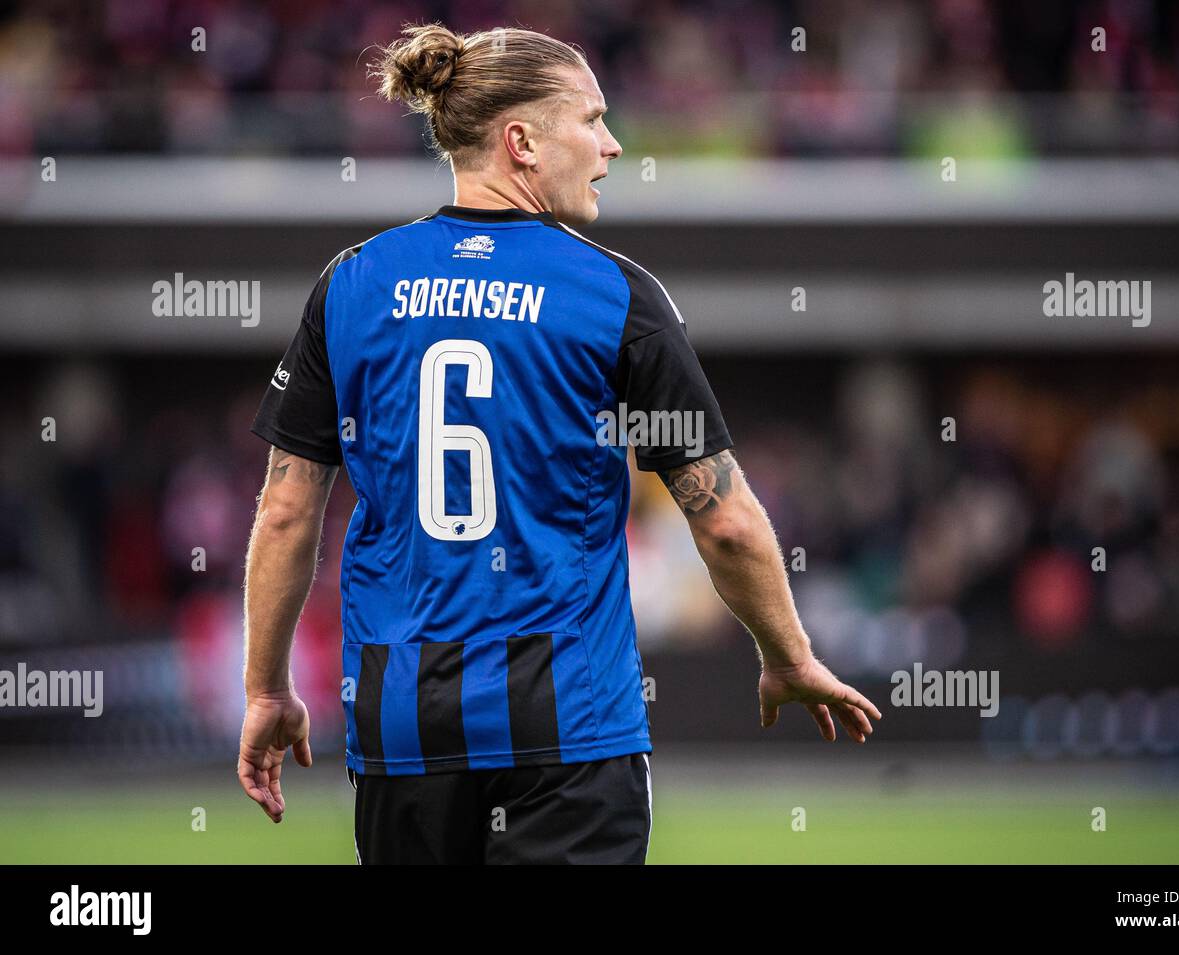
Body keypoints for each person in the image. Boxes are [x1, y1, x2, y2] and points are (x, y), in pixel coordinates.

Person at [238, 22, 881, 865]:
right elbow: (722, 520)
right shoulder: (615, 295)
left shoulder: (353, 282)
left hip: (401, 728)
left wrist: (264, 687)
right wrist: (787, 654)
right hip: (568, 730)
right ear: (523, 143)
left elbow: (287, 510)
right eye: (592, 120)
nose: (612, 146)